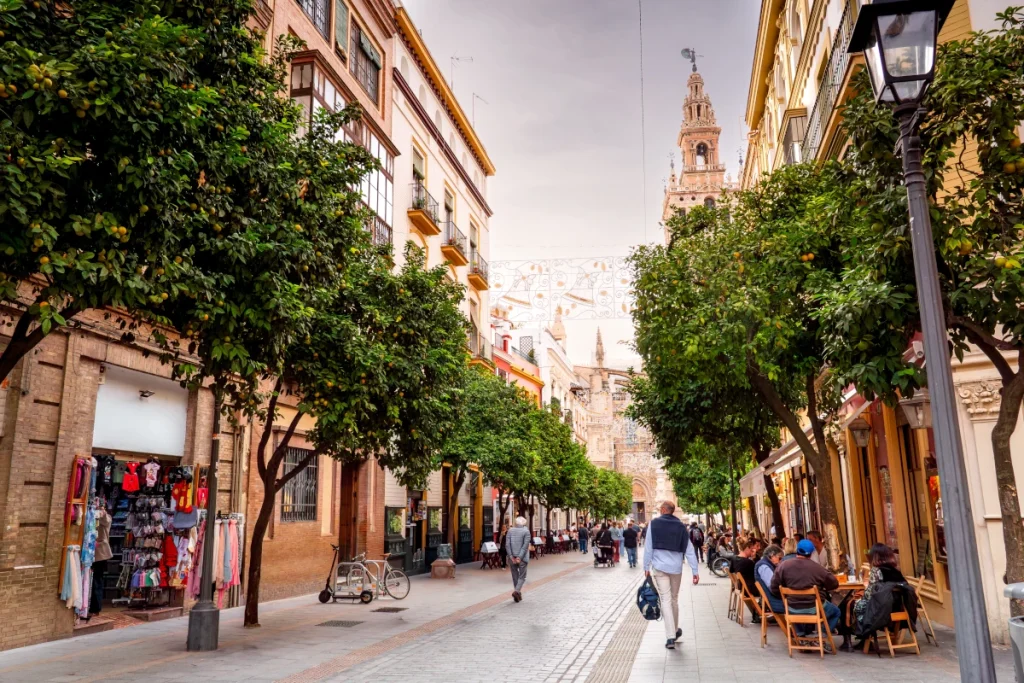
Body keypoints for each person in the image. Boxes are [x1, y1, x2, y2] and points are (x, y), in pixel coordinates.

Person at [644, 501, 699, 649]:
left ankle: (670, 636)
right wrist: (695, 571)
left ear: (663, 510)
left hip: (660, 567)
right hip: (675, 568)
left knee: (666, 600)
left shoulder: (654, 524)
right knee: (673, 599)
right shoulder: (681, 526)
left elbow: (648, 547)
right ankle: (673, 631)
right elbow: (689, 550)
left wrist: (646, 566)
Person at [770, 539, 840, 637]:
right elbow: (834, 583)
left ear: (797, 550)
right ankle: (822, 635)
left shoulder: (783, 566)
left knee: (793, 605)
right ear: (811, 553)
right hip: (814, 608)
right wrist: (823, 588)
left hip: (792, 608)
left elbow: (774, 587)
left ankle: (800, 634)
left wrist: (785, 595)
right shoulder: (817, 568)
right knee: (836, 612)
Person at [850, 544, 908, 647]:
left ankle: (864, 636)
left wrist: (860, 596)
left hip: (882, 610)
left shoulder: (876, 570)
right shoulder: (896, 571)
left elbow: (871, 594)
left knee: (852, 605)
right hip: (899, 608)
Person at [730, 539, 759, 620]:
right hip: (749, 589)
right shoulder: (748, 562)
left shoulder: (734, 558)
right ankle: (760, 613)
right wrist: (754, 558)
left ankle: (757, 612)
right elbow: (757, 573)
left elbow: (731, 571)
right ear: (747, 548)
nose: (753, 551)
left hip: (740, 587)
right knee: (767, 589)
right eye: (752, 549)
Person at [754, 544, 785, 615]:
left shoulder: (766, 565)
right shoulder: (764, 567)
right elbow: (772, 587)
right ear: (772, 555)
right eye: (779, 558)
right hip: (776, 603)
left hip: (775, 601)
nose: (780, 561)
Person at [505, 517, 531, 602]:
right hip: (522, 558)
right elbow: (525, 546)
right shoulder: (526, 531)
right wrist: (519, 557)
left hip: (512, 558)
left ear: (516, 523)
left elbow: (507, 545)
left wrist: (511, 556)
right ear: (524, 523)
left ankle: (517, 594)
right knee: (522, 576)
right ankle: (516, 592)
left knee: (515, 576)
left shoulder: (510, 531)